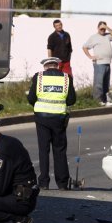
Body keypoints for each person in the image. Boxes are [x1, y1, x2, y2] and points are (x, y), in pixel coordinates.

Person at [27, 56, 77, 190]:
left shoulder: (39, 77)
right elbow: (71, 100)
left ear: (45, 66)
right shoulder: (66, 78)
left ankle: (43, 182)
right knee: (59, 150)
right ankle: (62, 183)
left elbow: (31, 98)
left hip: (42, 118)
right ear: (57, 65)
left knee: (44, 150)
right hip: (59, 118)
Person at [82, 21, 112, 105]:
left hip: (107, 62)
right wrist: (90, 57)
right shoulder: (94, 37)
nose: (103, 30)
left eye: (104, 29)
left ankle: (105, 100)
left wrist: (107, 27)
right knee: (99, 83)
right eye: (101, 29)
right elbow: (84, 47)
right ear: (98, 28)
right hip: (99, 63)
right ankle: (97, 101)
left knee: (106, 83)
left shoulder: (107, 36)